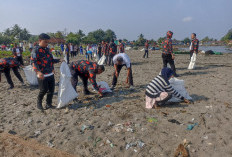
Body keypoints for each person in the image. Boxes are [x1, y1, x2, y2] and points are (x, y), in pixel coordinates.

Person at [31, 33, 60, 110]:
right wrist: (38, 72)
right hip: (42, 74)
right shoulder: (35, 50)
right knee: (43, 90)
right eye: (45, 42)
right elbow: (33, 62)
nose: (47, 44)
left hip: (50, 73)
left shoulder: (47, 49)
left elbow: (51, 60)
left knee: (51, 90)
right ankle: (39, 103)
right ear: (40, 40)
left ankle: (48, 104)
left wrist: (59, 60)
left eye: (48, 42)